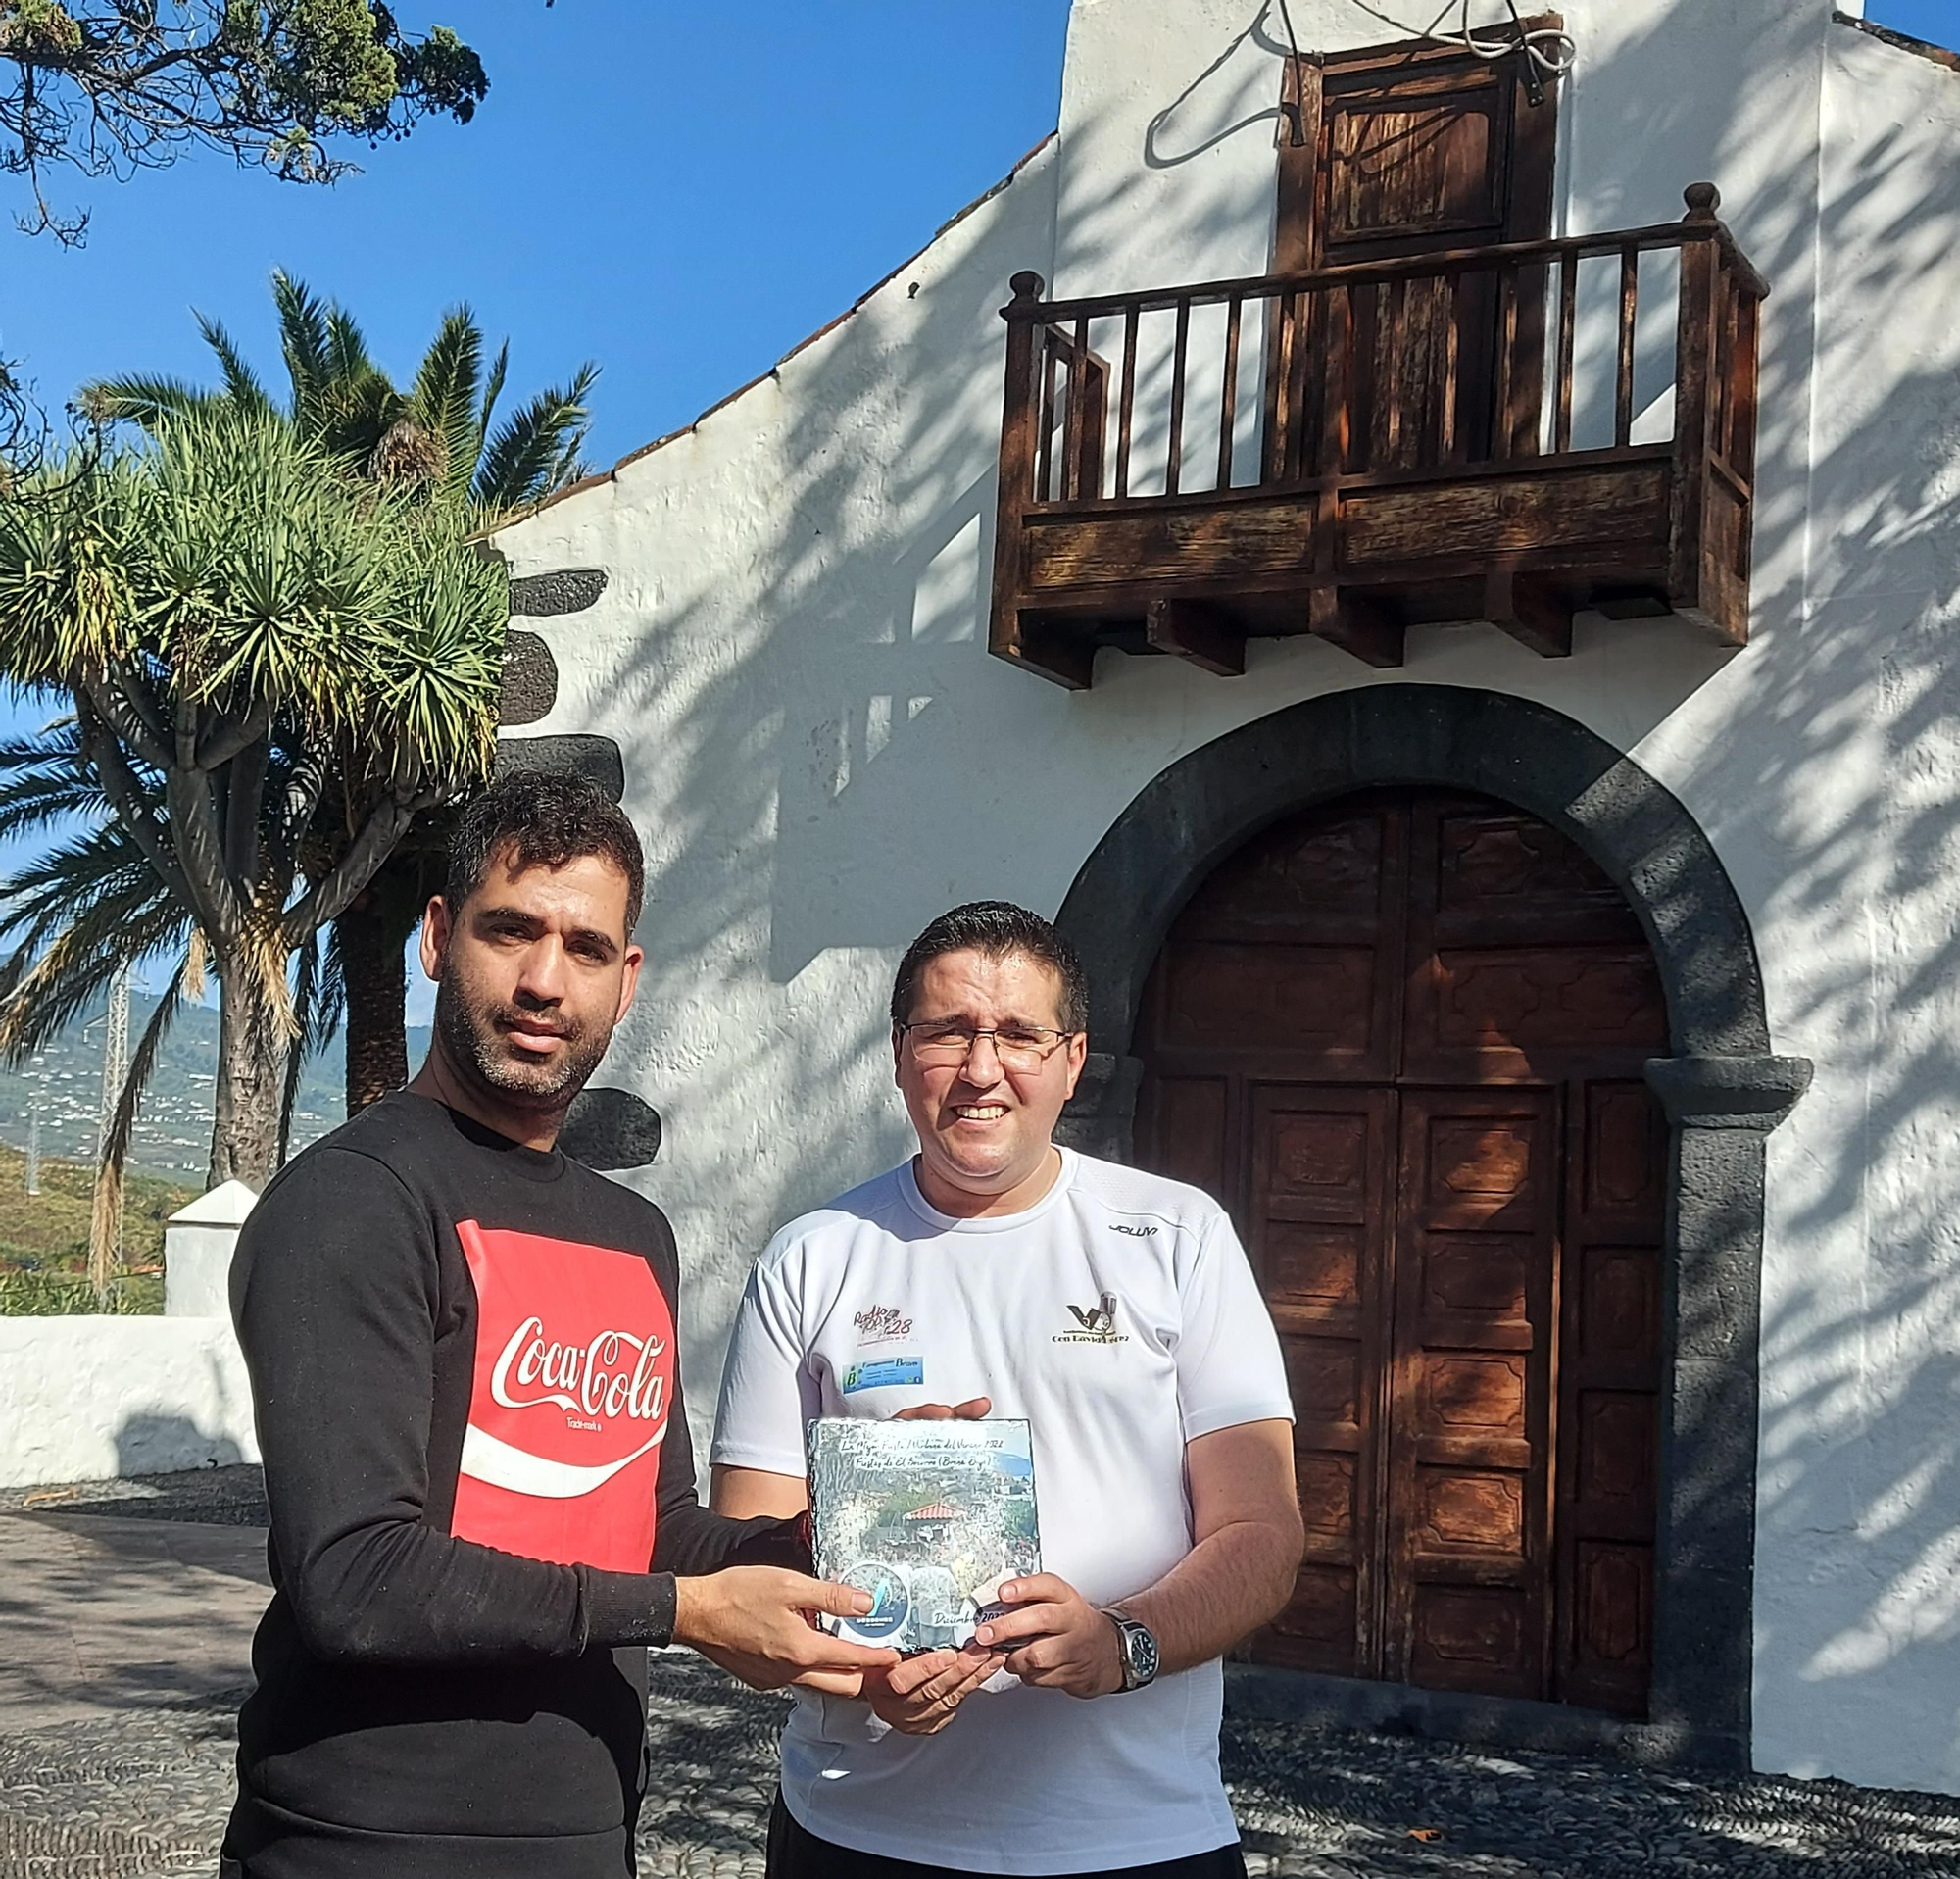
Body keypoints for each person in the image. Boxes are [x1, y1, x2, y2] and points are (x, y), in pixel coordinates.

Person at [222, 769, 898, 1879]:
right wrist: (688, 1612)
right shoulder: (355, 1200)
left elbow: (656, 1525)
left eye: (585, 949)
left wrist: (824, 1539)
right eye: (509, 931)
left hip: (585, 1833)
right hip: (363, 1842)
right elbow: (353, 1578)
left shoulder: (633, 1233)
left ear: (626, 981)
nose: (545, 981)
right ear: (437, 939)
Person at [710, 901, 1305, 1878]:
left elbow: (1261, 1536)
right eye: (947, 1032)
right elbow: (741, 1568)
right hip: (859, 1835)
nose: (981, 1070)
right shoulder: (810, 1259)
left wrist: (1122, 1645)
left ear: (1073, 1058)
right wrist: (865, 1671)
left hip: (1138, 1838)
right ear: (900, 1053)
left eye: (1019, 1035)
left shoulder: (1176, 1237)